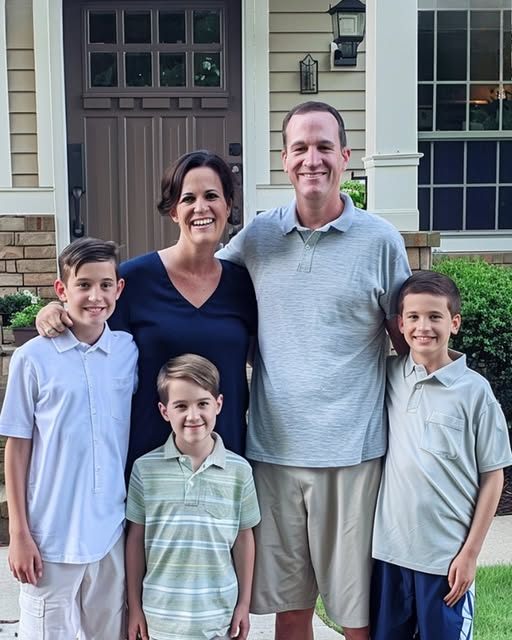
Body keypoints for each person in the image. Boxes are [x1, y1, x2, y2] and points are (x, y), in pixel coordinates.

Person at [217, 101, 411, 640]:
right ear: (284, 159)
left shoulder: (380, 241)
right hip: (274, 453)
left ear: (345, 156)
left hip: (353, 457)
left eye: (324, 146)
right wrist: (68, 311)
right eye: (300, 147)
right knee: (289, 611)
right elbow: (194, 283)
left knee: (356, 617)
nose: (312, 159)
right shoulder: (257, 237)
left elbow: (408, 343)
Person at [35, 151, 257, 473]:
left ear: (228, 205)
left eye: (211, 196)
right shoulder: (135, 280)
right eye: (188, 198)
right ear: (173, 211)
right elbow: (89, 332)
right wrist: (55, 310)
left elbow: (266, 356)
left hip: (226, 467)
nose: (201, 208)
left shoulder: (243, 284)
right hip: (149, 470)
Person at [1, 237, 138, 639]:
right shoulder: (32, 358)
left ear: (119, 289)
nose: (96, 296)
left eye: (105, 285)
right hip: (50, 538)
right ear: (61, 290)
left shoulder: (128, 351)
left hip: (109, 533)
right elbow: (17, 447)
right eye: (83, 285)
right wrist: (19, 533)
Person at [371, 271, 512, 640]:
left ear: (455, 323)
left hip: (445, 560)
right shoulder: (388, 376)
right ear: (400, 325)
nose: (423, 327)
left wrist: (470, 554)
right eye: (414, 317)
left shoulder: (475, 392)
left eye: (435, 316)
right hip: (388, 555)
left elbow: (493, 476)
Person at [125, 353, 260, 640]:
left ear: (218, 404)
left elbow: (244, 538)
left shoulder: (239, 471)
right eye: (181, 406)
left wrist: (244, 604)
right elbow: (136, 539)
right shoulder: (145, 469)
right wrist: (134, 607)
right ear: (164, 411)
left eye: (202, 404)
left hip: (218, 620)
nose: (193, 415)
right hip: (160, 620)